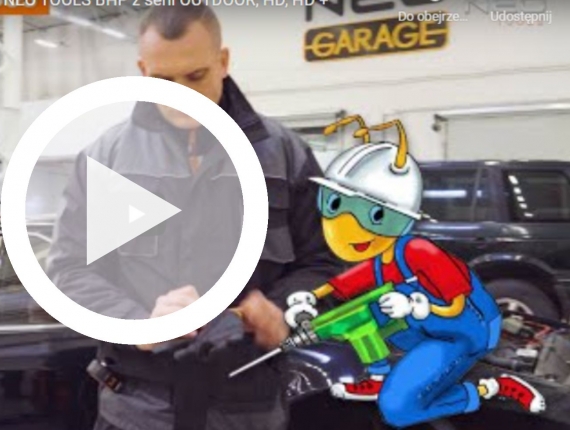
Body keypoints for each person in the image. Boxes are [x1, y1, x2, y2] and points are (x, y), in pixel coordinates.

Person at [45, 5, 341, 430]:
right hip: (139, 412)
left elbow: (326, 264)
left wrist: (280, 309)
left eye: (196, 76)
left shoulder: (284, 155)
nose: (181, 96)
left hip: (246, 408)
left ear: (223, 61)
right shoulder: (105, 159)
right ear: (143, 71)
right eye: (163, 81)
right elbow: (69, 269)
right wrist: (137, 323)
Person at [285, 116, 546, 428]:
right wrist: (307, 299)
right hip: (423, 328)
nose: (345, 226)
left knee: (398, 408)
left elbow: (457, 306)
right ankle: (377, 377)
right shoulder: (379, 258)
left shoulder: (419, 252)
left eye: (371, 215)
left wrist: (416, 307)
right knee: (359, 314)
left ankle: (492, 389)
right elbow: (341, 285)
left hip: (461, 331)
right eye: (335, 205)